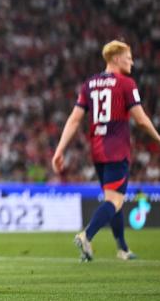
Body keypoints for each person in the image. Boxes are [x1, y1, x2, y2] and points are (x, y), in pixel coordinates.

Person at [52, 40, 160, 262]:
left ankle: (122, 248)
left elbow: (74, 120)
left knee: (114, 199)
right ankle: (86, 235)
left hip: (98, 151)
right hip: (117, 150)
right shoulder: (126, 84)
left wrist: (59, 150)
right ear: (116, 58)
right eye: (128, 56)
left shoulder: (89, 84)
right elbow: (140, 120)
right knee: (115, 201)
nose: (132, 61)